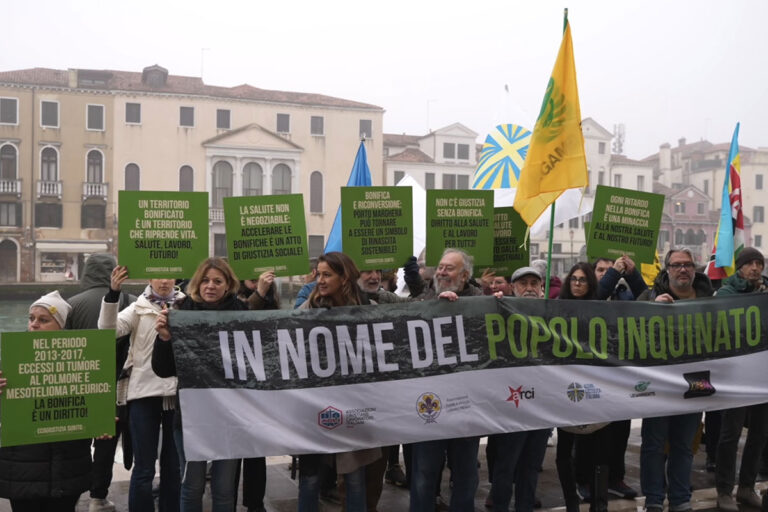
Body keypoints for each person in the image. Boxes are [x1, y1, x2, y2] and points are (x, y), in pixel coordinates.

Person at [152, 257, 245, 512]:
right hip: (192, 417)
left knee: (225, 490)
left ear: (228, 285)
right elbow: (163, 370)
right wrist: (164, 339)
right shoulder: (181, 313)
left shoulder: (244, 314)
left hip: (230, 417)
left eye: (217, 281)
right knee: (191, 486)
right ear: (196, 283)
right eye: (205, 280)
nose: (210, 286)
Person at [298, 251, 379, 512]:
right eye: (318, 274)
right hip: (314, 403)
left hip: (353, 402)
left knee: (354, 477)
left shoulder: (368, 309)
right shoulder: (308, 308)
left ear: (344, 277)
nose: (320, 280)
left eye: (327, 275)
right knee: (310, 478)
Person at [98, 265, 182, 512]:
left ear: (176, 277)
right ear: (150, 278)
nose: (164, 281)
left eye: (168, 276)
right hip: (143, 392)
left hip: (177, 394)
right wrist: (113, 293)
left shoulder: (187, 305)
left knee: (173, 465)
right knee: (144, 466)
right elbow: (107, 330)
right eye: (159, 276)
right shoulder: (137, 307)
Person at [0, 292, 92, 512]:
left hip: (67, 464)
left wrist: (103, 422)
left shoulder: (83, 358)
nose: (34, 325)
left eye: (43, 320)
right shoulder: (9, 357)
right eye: (31, 318)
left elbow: (93, 398)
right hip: (23, 466)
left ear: (60, 325)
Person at [637, 248, 713, 512]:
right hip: (658, 383)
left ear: (695, 269)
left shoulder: (710, 300)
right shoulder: (649, 297)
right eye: (677, 265)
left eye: (688, 265)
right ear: (667, 269)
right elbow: (628, 326)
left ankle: (680, 499)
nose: (683, 269)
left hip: (695, 381)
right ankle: (654, 500)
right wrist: (651, 309)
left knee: (684, 445)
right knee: (654, 444)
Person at [410, 248, 483, 512]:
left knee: (465, 473)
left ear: (464, 276)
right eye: (440, 266)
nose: (441, 272)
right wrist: (435, 308)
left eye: (448, 268)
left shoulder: (480, 300)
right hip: (429, 402)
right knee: (424, 472)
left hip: (465, 405)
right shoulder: (423, 298)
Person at [66, 253, 134, 512]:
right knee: (107, 443)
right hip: (116, 386)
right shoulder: (132, 301)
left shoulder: (71, 304)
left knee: (76, 443)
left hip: (81, 382)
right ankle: (98, 497)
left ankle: (70, 495)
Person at [486, 266, 551, 512]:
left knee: (531, 466)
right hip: (512, 405)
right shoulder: (500, 310)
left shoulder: (551, 314)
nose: (530, 288)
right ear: (513, 288)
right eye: (523, 283)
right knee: (506, 465)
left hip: (541, 405)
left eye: (535, 283)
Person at [714, 247, 768, 511]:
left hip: (762, 376)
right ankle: (724, 490)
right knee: (730, 434)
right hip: (736, 376)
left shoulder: (765, 292)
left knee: (759, 433)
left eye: (759, 263)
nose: (756, 268)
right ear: (740, 267)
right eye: (750, 264)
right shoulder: (727, 293)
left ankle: (746, 487)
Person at [556, 262, 612, 512]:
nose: (578, 284)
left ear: (591, 284)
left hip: (595, 386)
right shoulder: (555, 309)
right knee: (563, 451)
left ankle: (598, 505)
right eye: (574, 279)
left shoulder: (603, 310)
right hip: (564, 387)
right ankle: (571, 504)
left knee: (598, 450)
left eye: (583, 280)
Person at [592, 255, 643, 500]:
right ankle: (588, 479)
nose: (605, 273)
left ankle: (616, 478)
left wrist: (632, 274)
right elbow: (598, 297)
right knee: (593, 433)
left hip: (622, 373)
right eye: (600, 269)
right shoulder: (589, 296)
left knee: (620, 430)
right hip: (594, 373)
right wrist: (614, 272)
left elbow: (647, 300)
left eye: (608, 269)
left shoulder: (625, 292)